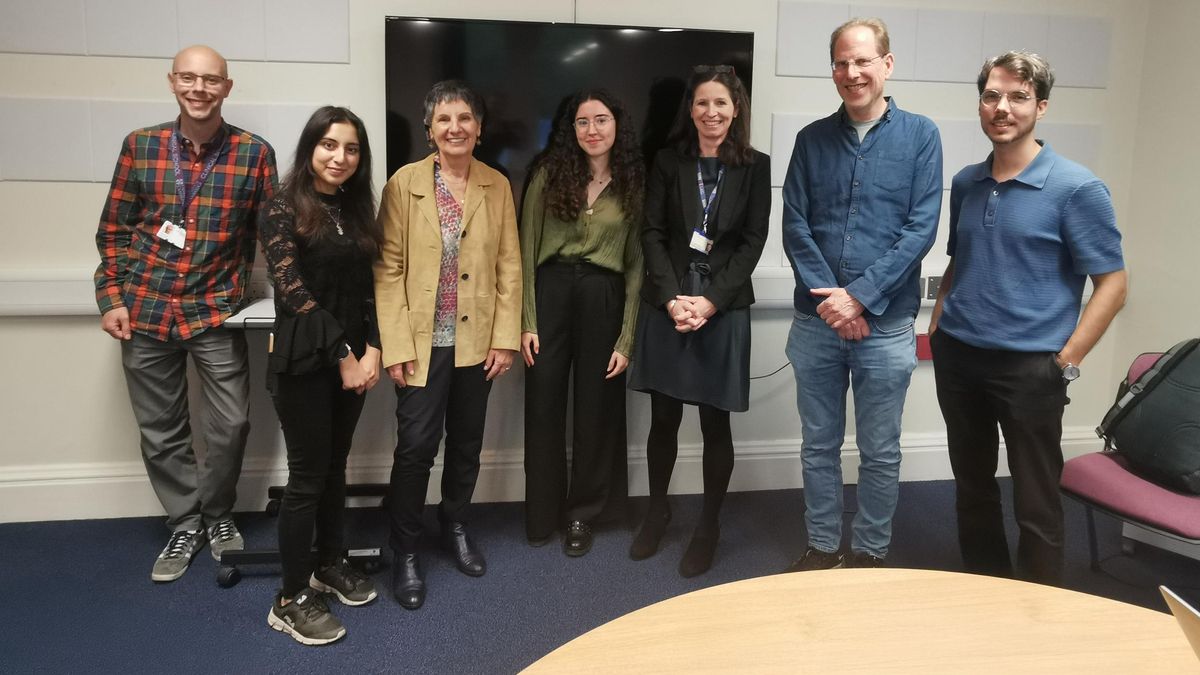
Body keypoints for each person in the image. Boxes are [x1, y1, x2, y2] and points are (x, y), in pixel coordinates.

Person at [929, 51, 1126, 585]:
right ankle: (985, 588)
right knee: (972, 488)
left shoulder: (1076, 187)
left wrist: (1066, 362)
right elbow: (959, 258)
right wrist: (939, 321)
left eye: (1017, 97)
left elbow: (1113, 284)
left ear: (1040, 106)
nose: (1003, 107)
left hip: (1031, 370)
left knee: (1036, 502)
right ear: (981, 104)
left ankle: (1038, 611)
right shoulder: (968, 183)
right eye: (992, 95)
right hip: (960, 359)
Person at [94, 45, 277, 582]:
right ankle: (185, 521)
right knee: (161, 428)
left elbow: (274, 235)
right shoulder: (141, 146)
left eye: (211, 80)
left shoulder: (253, 154)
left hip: (214, 311)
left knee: (231, 423)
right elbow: (113, 231)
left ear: (227, 87)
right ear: (173, 82)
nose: (200, 89)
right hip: (145, 307)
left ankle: (218, 514)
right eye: (189, 79)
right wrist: (112, 297)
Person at [780, 18, 942, 572]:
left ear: (887, 65)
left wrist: (861, 298)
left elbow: (920, 230)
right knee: (818, 447)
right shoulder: (810, 140)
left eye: (864, 61)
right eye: (842, 63)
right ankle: (823, 546)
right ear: (833, 70)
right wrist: (836, 303)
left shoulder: (922, 137)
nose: (853, 73)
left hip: (887, 326)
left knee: (880, 452)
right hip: (816, 325)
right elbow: (796, 226)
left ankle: (870, 552)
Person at [375, 81, 521, 609]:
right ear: (429, 129)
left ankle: (455, 523)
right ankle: (406, 549)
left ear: (479, 128)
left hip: (476, 341)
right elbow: (388, 269)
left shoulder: (497, 185)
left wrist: (504, 339)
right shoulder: (404, 184)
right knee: (415, 448)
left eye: (465, 118)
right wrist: (394, 344)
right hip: (419, 342)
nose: (455, 128)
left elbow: (509, 265)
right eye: (444, 119)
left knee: (465, 441)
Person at [627, 65, 770, 577]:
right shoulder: (667, 162)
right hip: (668, 303)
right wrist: (672, 300)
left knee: (715, 421)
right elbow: (651, 233)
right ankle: (657, 508)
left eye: (722, 104)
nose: (712, 112)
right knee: (663, 419)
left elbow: (753, 242)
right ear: (691, 109)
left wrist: (708, 302)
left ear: (737, 110)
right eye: (703, 103)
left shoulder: (755, 167)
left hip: (722, 307)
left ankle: (708, 525)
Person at [260, 107, 381, 644]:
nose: (340, 157)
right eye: (330, 145)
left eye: (351, 149)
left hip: (355, 359)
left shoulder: (355, 210)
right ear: (311, 147)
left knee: (336, 469)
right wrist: (346, 356)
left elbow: (369, 286)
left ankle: (328, 563)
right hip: (307, 361)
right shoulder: (282, 207)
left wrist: (375, 346)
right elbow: (294, 292)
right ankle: (288, 598)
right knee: (308, 478)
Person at [520, 89, 645, 557]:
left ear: (617, 126)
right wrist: (527, 320)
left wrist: (627, 336)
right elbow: (525, 247)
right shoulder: (548, 174)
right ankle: (541, 514)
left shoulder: (634, 182)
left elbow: (636, 265)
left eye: (602, 120)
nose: (592, 130)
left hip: (604, 298)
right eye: (582, 122)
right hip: (549, 295)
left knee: (597, 410)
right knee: (543, 406)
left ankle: (583, 515)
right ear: (569, 130)